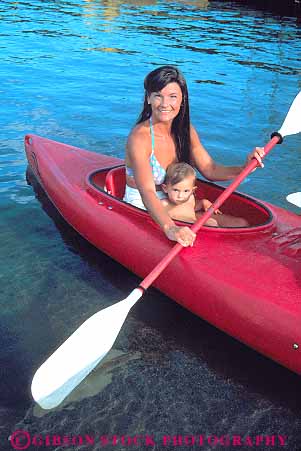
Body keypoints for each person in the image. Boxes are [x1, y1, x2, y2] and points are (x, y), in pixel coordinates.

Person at [124, 65, 264, 247]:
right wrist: (170, 228)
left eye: (173, 96)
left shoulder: (185, 132)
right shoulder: (139, 137)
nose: (165, 104)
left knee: (241, 224)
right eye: (158, 95)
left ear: (182, 100)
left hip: (179, 199)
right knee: (214, 229)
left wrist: (245, 167)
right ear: (148, 98)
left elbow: (210, 170)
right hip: (145, 204)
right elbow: (148, 192)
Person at [161, 162, 222, 226]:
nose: (180, 196)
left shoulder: (190, 199)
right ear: (165, 188)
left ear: (192, 191)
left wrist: (203, 202)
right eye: (176, 190)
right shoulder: (164, 204)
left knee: (212, 222)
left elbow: (192, 207)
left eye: (186, 191)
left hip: (196, 226)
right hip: (180, 230)